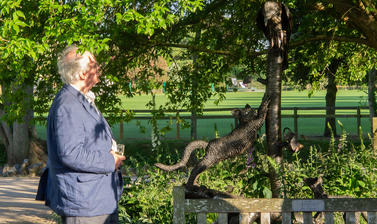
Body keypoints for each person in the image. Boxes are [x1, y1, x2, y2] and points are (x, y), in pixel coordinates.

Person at [36, 45, 126, 224]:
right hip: (84, 205)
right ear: (83, 74)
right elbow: (70, 154)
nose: (99, 68)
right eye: (94, 65)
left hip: (95, 200)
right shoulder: (68, 105)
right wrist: (110, 161)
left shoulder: (79, 99)